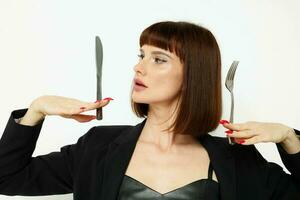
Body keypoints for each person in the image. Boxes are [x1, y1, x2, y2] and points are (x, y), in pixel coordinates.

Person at [0, 21, 299, 200]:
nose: (138, 67)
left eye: (159, 59)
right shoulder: (98, 147)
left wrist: (289, 139)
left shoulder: (237, 159)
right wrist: (36, 111)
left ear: (193, 75)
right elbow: (8, 178)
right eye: (141, 55)